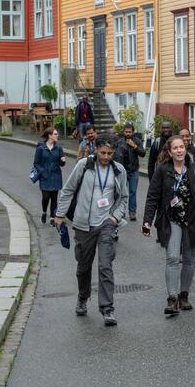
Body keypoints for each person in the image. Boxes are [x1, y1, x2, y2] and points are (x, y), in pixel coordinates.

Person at [56, 137, 128, 327]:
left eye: (110, 154)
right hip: (83, 224)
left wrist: (115, 217)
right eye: (103, 153)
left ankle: (107, 309)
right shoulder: (84, 165)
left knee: (105, 265)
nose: (106, 157)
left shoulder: (119, 170)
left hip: (106, 223)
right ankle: (83, 296)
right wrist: (60, 214)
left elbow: (124, 198)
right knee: (83, 267)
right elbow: (68, 190)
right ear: (96, 150)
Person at [144, 135, 195, 316]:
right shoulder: (162, 171)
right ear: (169, 152)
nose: (179, 151)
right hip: (171, 219)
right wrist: (147, 220)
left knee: (190, 259)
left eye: (181, 147)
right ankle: (172, 298)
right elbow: (152, 197)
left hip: (192, 219)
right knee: (172, 257)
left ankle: (184, 295)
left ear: (186, 149)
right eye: (175, 148)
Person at [33, 127, 67, 224]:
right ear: (50, 135)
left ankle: (52, 217)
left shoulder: (59, 148)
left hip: (56, 175)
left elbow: (61, 164)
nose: (57, 135)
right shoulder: (40, 148)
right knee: (46, 197)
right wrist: (42, 172)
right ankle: (44, 212)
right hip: (45, 176)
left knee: (54, 198)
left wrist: (63, 161)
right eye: (55, 134)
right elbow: (36, 163)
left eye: (57, 134)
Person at [115, 123, 145, 221]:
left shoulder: (137, 141)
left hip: (134, 170)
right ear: (123, 132)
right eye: (126, 132)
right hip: (122, 171)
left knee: (132, 192)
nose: (127, 134)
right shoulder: (119, 141)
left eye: (129, 132)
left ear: (133, 132)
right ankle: (121, 212)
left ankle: (132, 212)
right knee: (122, 192)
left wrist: (134, 146)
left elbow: (143, 153)